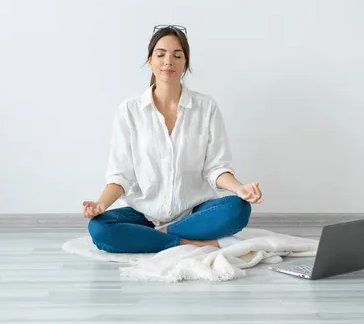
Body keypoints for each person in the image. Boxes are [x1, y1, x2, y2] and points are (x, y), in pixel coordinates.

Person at [82, 25, 263, 253]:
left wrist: (240, 188)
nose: (169, 61)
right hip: (143, 213)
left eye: (177, 55)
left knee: (238, 208)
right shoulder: (129, 111)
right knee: (99, 228)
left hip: (194, 212)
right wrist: (100, 204)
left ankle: (156, 238)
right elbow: (121, 175)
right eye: (161, 54)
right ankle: (186, 242)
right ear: (150, 61)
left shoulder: (206, 108)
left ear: (185, 64)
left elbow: (216, 168)